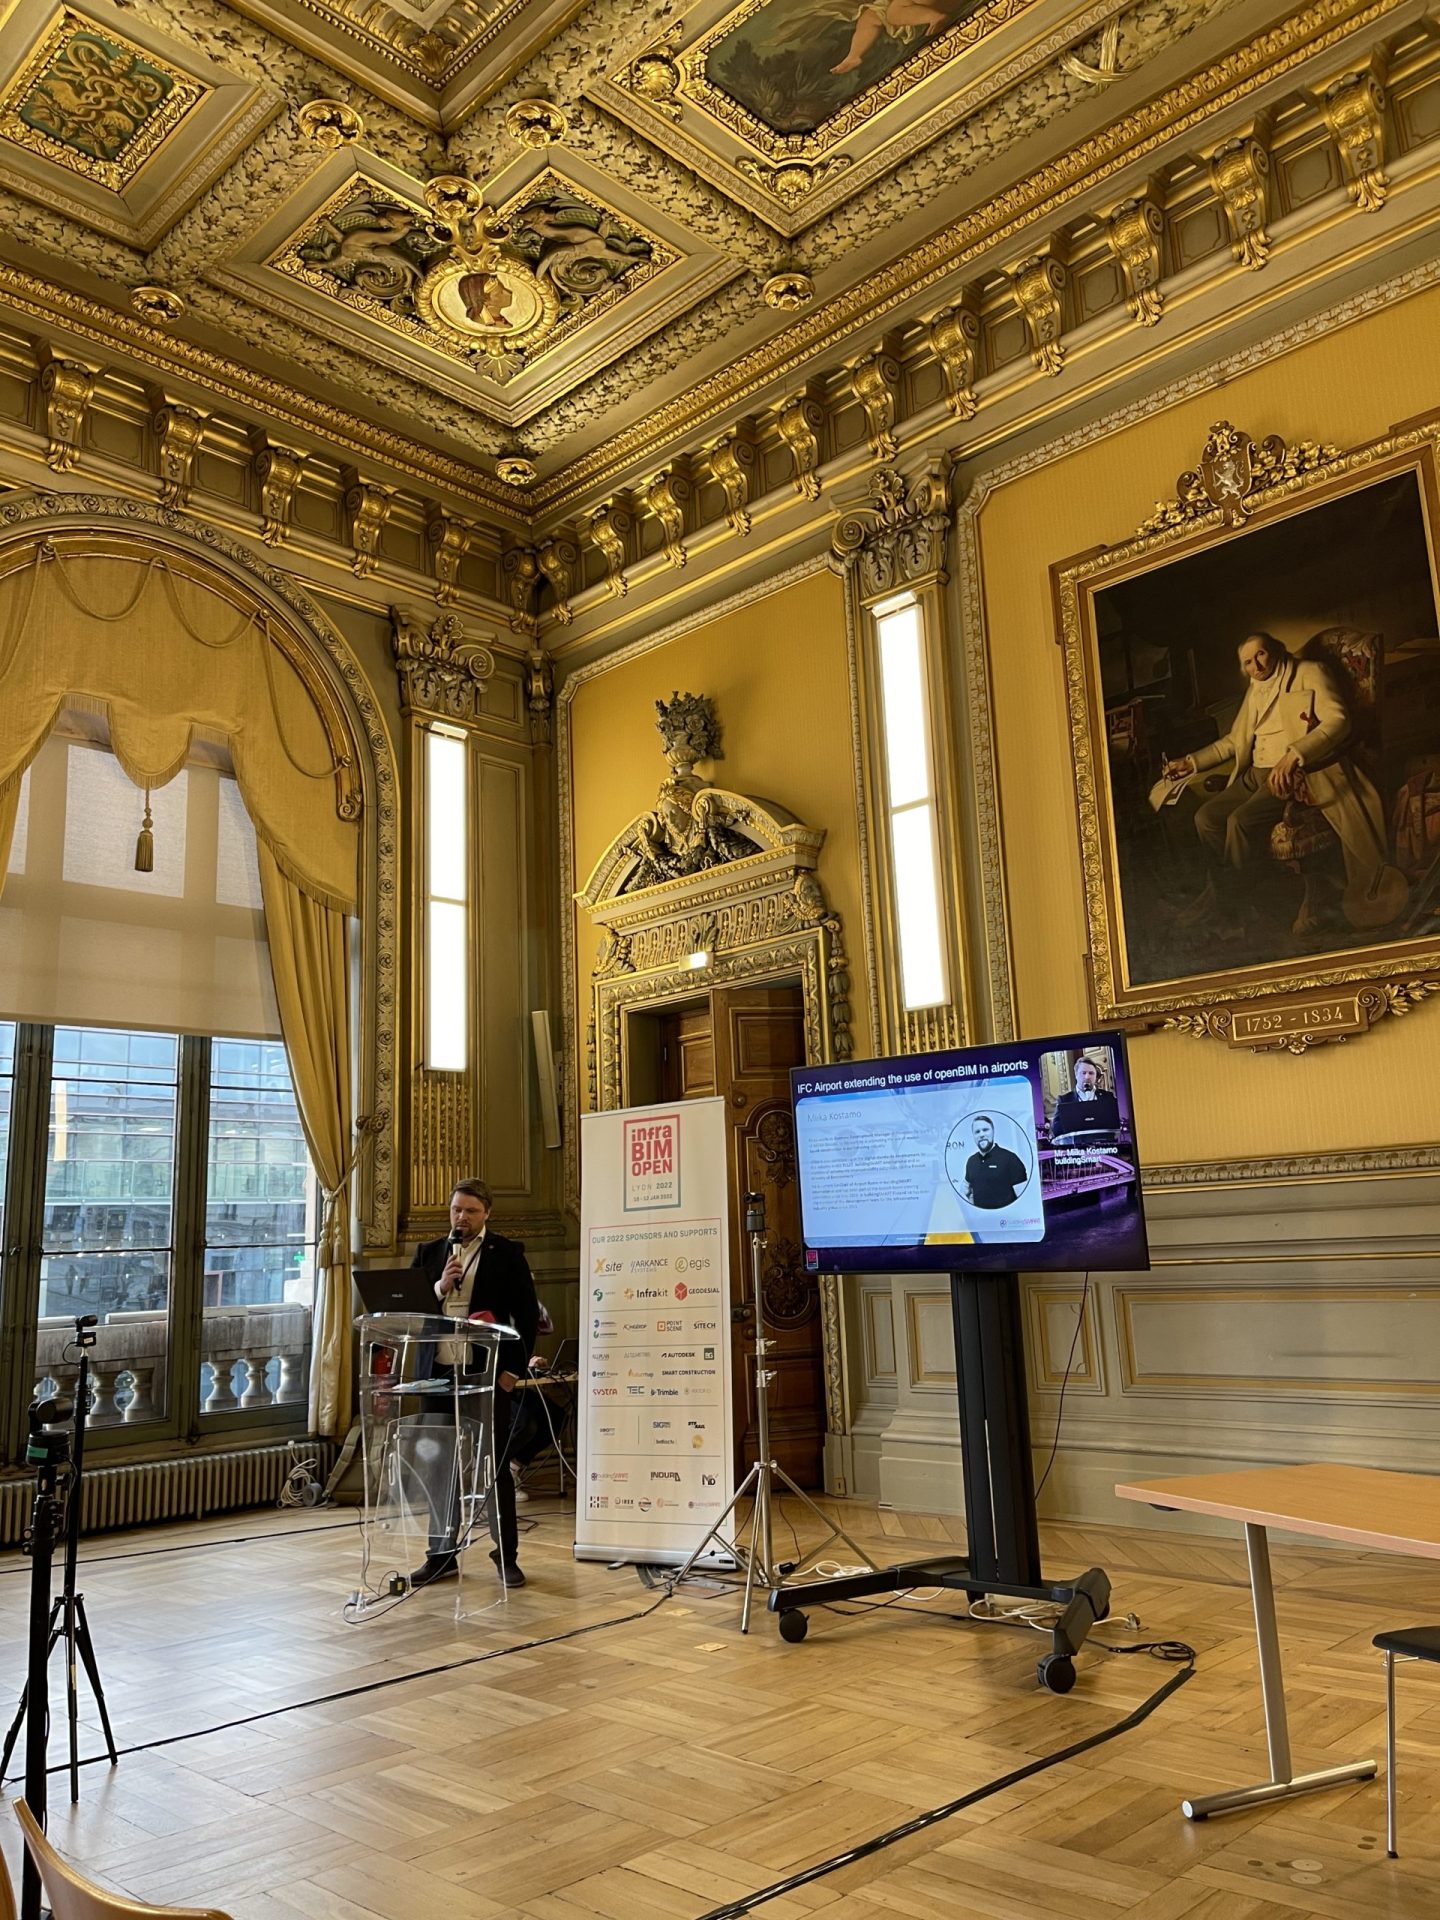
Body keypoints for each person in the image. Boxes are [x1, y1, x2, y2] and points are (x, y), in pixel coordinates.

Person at [1162, 633, 1388, 925]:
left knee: (1239, 821)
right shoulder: (1256, 687)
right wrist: (1190, 762)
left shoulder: (1310, 672)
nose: (1256, 666)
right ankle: (1231, 893)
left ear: (1276, 650)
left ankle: (1230, 908)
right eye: (1248, 662)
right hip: (1254, 773)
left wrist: (1294, 755)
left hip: (1292, 775)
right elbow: (1233, 741)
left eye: (1261, 655)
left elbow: (1339, 721)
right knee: (1205, 818)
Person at [408, 1179, 539, 1589]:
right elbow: (410, 1309)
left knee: (494, 1466)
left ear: (487, 1214)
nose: (461, 1217)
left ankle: (506, 1556)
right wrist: (440, 1287)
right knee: (439, 1467)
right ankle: (441, 1555)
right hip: (438, 1375)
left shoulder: (507, 1254)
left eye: (470, 1211)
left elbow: (526, 1317)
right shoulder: (430, 1253)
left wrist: (512, 1372)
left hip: (486, 1375)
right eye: (456, 1210)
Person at [962, 1115, 1028, 1210]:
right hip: (981, 1218)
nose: (981, 1134)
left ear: (993, 1131)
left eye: (985, 1130)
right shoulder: (971, 1161)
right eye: (977, 1132)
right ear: (973, 1136)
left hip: (1007, 1217)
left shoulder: (1010, 1159)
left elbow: (1024, 1199)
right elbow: (966, 1191)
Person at [1050, 1057, 1121, 1140]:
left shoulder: (1108, 1097)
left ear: (1096, 1076)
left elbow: (1117, 1123)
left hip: (1105, 1145)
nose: (1087, 1077)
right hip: (1076, 1146)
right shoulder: (1064, 1100)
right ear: (1076, 1075)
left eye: (1091, 1073)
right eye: (1083, 1073)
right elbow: (1056, 1129)